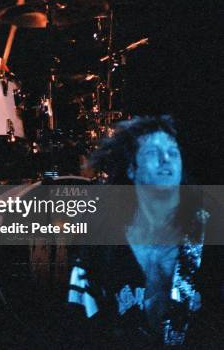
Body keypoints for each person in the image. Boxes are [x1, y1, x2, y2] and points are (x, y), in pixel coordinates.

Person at [67, 115, 224, 346]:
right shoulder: (102, 238)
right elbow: (81, 325)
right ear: (132, 169)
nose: (166, 160)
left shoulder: (209, 228)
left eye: (173, 152)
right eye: (152, 153)